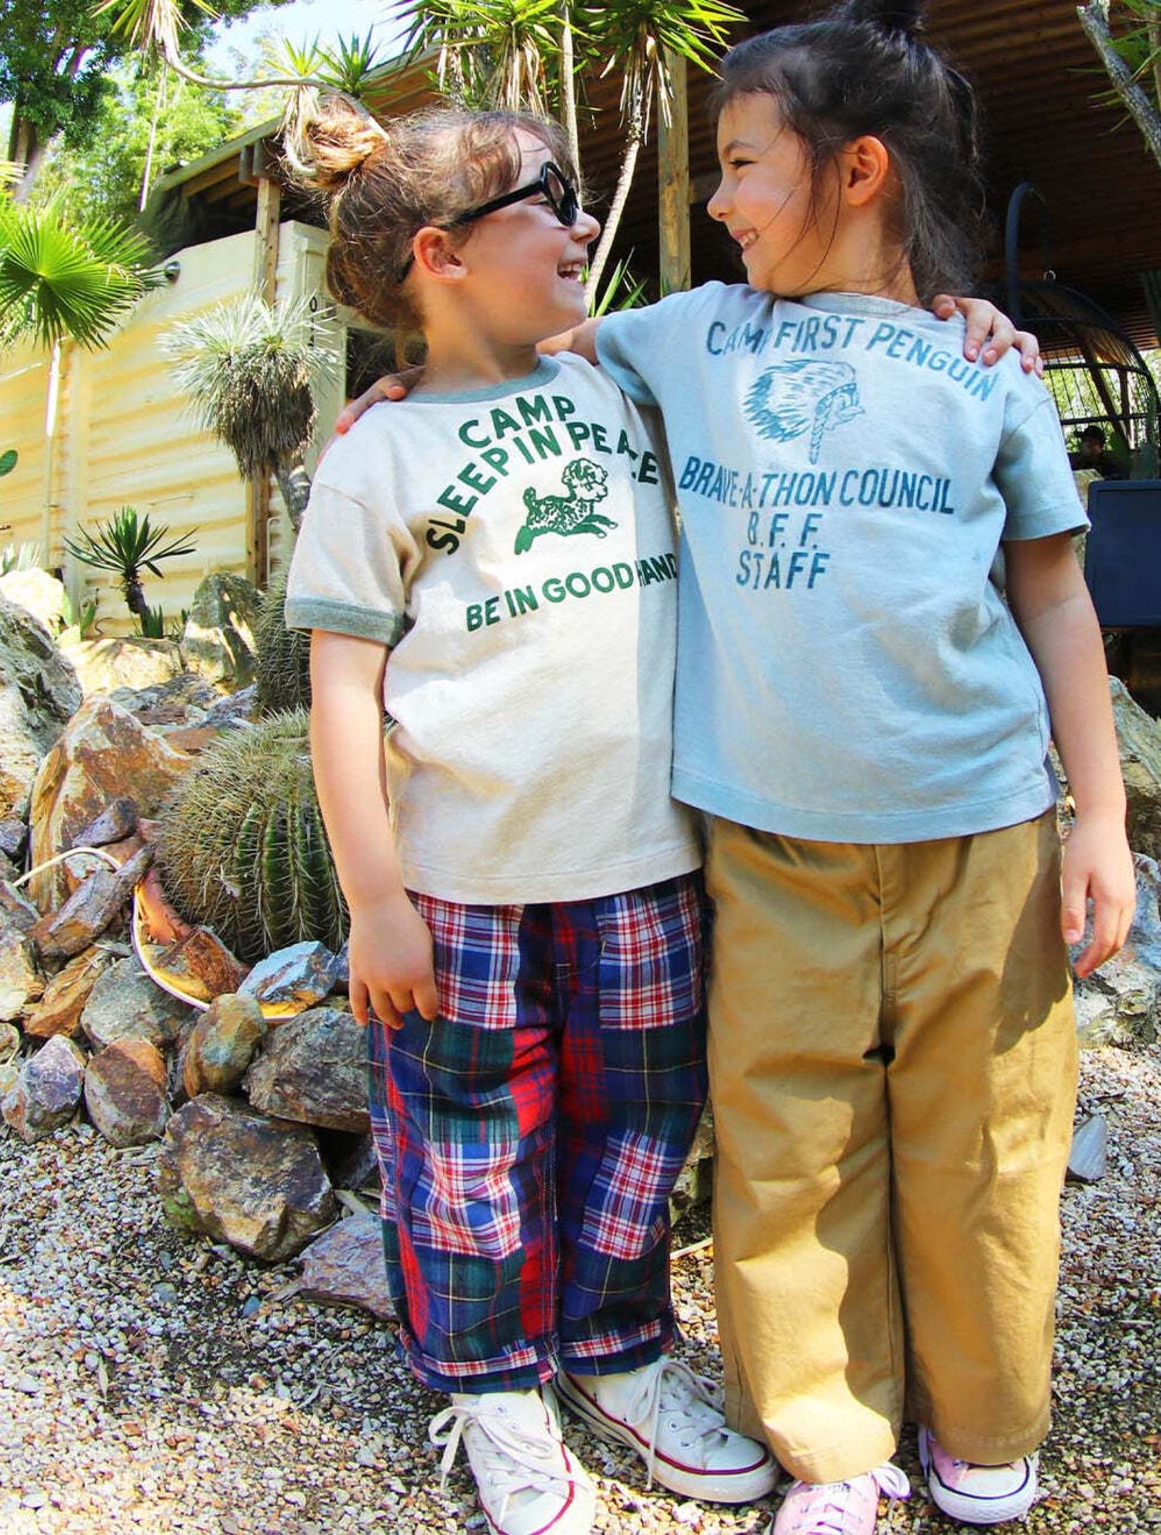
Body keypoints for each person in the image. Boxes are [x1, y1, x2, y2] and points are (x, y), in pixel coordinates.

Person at [538, 3, 1135, 1531]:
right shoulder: (694, 334)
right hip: (771, 840)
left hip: (982, 829)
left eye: (745, 162)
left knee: (988, 1133)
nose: (719, 198)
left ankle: (984, 1420)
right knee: (788, 1141)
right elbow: (535, 354)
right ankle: (831, 1437)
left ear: (858, 169)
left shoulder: (984, 370)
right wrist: (409, 390)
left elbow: (1055, 598)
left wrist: (1103, 822)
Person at [280, 96, 783, 1535]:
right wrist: (375, 900)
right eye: (547, 203)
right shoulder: (377, 457)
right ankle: (493, 1384)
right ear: (440, 254)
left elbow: (800, 334)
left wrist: (960, 315)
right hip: (461, 885)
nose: (580, 226)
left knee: (639, 1132)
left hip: (644, 864)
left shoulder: (621, 382)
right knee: (465, 1152)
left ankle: (618, 1353)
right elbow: (341, 692)